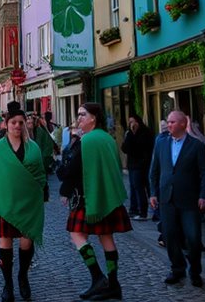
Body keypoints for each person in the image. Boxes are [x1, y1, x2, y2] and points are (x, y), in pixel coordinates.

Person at [58, 102, 131, 300]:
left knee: (77, 234)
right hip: (106, 194)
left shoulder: (87, 141)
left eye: (83, 115)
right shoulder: (106, 138)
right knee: (106, 237)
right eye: (78, 114)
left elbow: (71, 170)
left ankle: (98, 277)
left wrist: (61, 172)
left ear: (94, 118)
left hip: (89, 196)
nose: (78, 118)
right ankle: (114, 285)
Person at [0, 101, 46, 302]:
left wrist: (41, 192)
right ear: (6, 124)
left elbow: (40, 175)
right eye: (13, 122)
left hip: (28, 203)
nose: (17, 126)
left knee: (26, 241)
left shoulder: (33, 149)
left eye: (20, 122)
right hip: (4, 203)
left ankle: (23, 277)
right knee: (5, 242)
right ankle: (8, 284)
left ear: (25, 124)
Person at [149, 110, 205, 289]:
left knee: (193, 237)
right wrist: (153, 193)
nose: (169, 125)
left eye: (172, 122)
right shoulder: (161, 144)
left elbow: (204, 173)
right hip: (166, 199)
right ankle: (177, 268)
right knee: (169, 236)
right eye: (168, 122)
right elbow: (154, 170)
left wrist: (203, 195)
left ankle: (195, 271)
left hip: (189, 199)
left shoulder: (196, 145)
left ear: (183, 124)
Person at [121, 113, 154, 221]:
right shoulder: (129, 133)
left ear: (138, 121)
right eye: (129, 122)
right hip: (132, 164)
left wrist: (134, 135)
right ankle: (133, 209)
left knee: (139, 187)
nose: (131, 124)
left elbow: (143, 148)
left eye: (132, 121)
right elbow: (125, 148)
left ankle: (143, 211)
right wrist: (130, 134)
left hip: (142, 164)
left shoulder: (145, 133)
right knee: (133, 187)